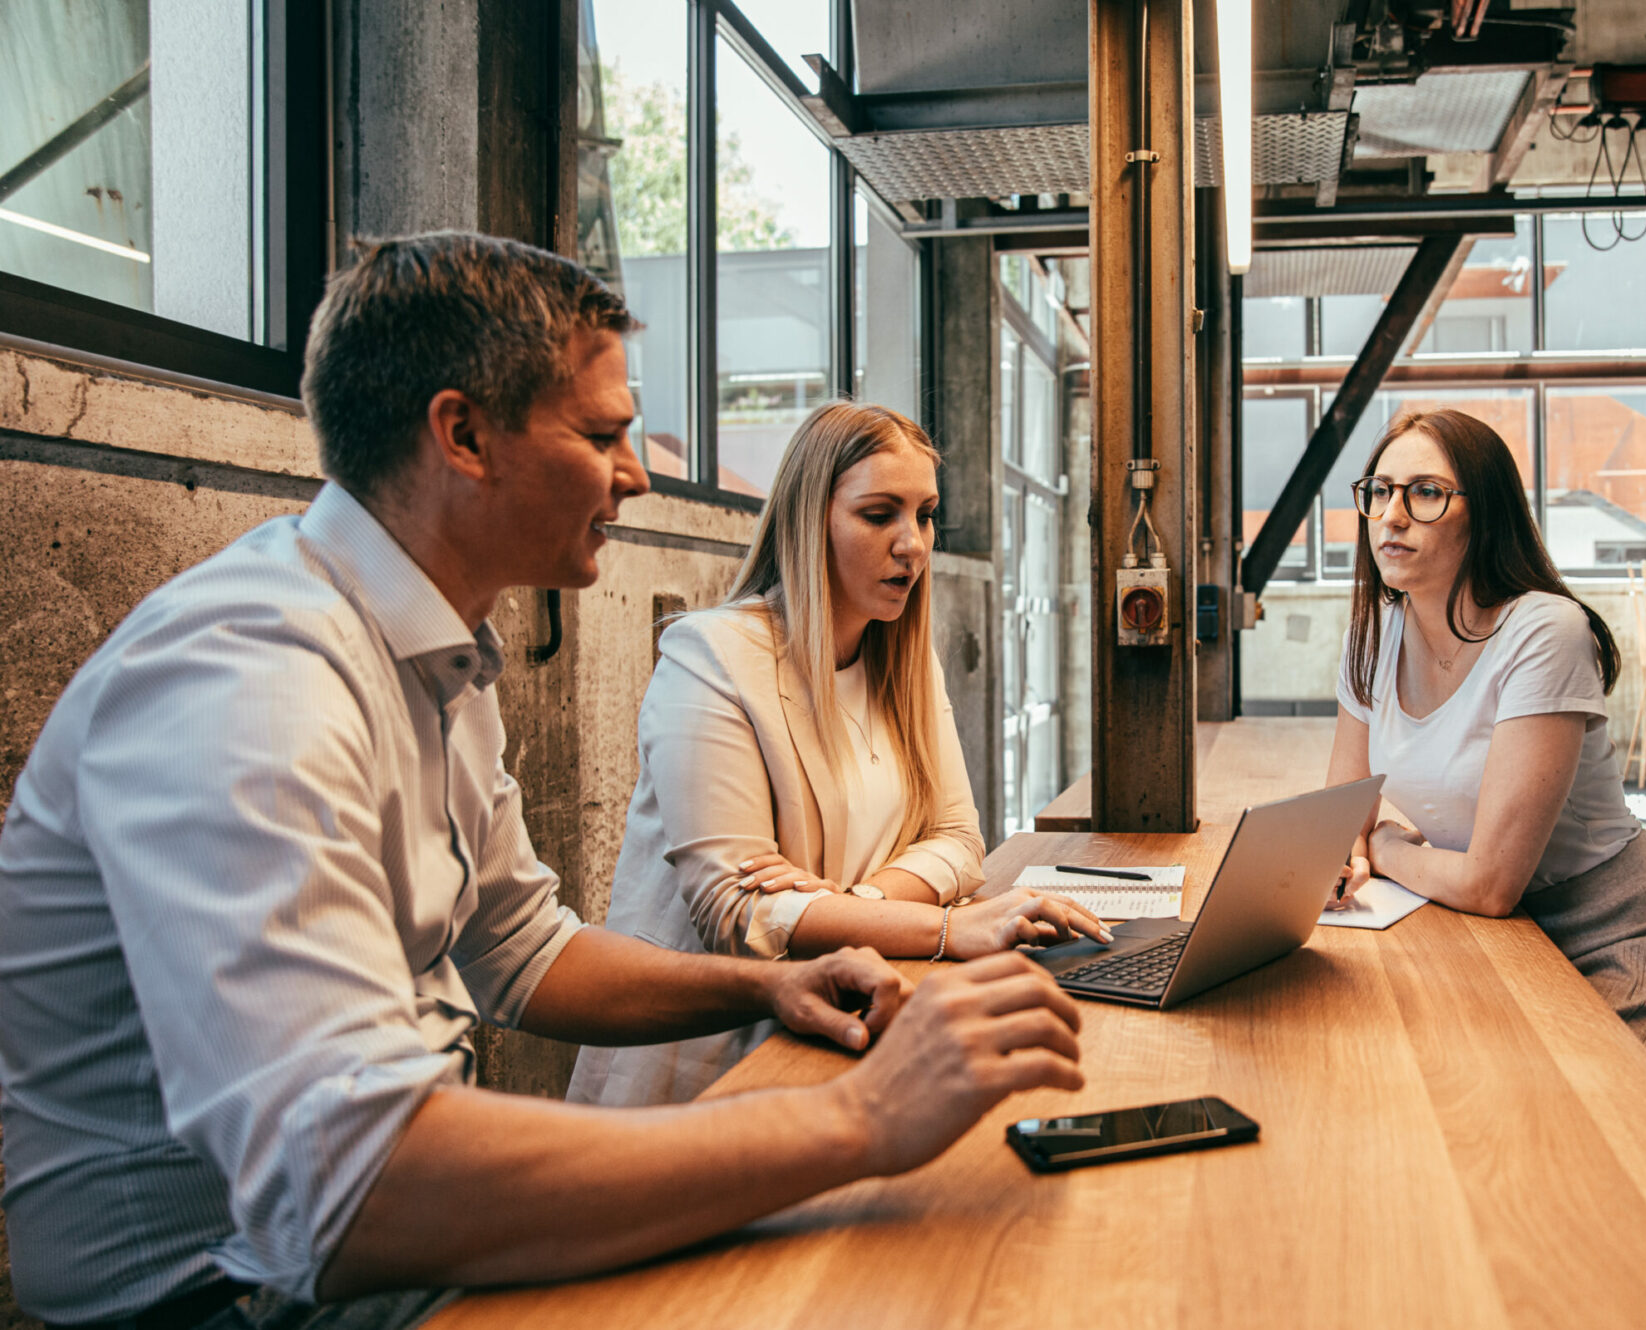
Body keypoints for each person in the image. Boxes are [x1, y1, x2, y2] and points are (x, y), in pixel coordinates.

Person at [0, 232, 1088, 1330]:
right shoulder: (251, 677)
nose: (638, 472)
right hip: (228, 1301)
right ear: (463, 434)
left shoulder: (438, 659)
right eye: (605, 433)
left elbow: (526, 953)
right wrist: (861, 1118)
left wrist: (763, 984)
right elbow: (345, 1183)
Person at [570, 401, 1110, 1107]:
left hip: (852, 1024)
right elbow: (735, 915)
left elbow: (958, 843)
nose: (913, 543)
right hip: (712, 1065)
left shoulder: (904, 662)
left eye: (924, 514)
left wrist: (843, 904)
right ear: (809, 520)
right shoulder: (711, 656)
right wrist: (946, 927)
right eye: (880, 514)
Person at [1328, 408, 1646, 1111]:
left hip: (1637, 961)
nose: (1392, 516)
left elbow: (1491, 884)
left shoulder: (1545, 631)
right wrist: (1354, 845)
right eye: (1379, 490)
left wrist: (1385, 844)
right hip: (1512, 956)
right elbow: (1339, 821)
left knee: (1511, 1137)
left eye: (1425, 493)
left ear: (1485, 513)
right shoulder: (1373, 637)